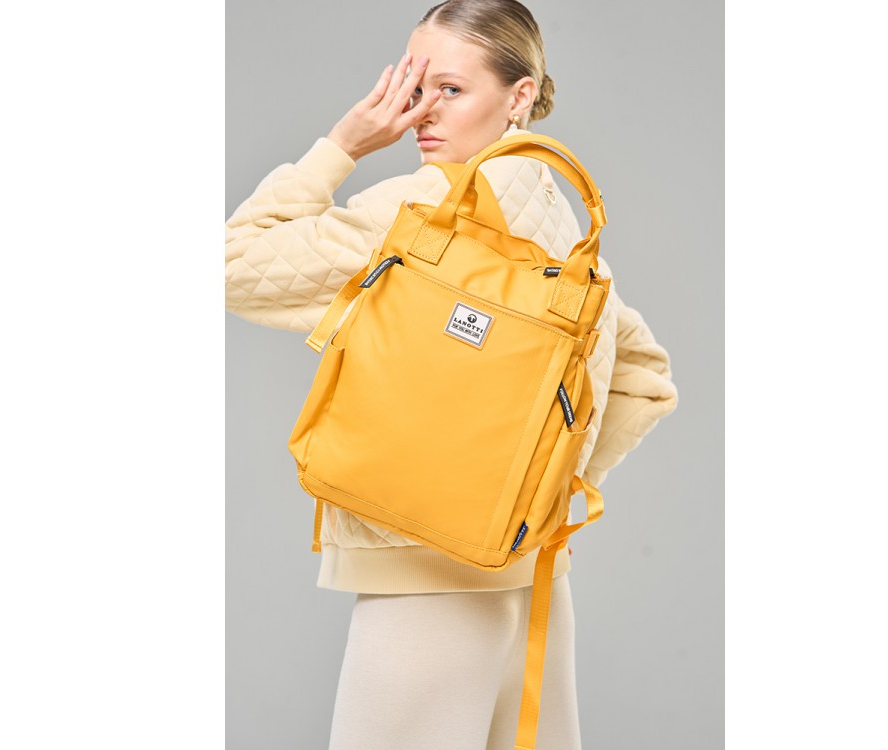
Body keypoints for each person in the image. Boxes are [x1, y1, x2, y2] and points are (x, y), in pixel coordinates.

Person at [224, 1, 678, 747]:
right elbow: (644, 377)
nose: (420, 112)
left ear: (520, 95)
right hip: (535, 591)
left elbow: (233, 265)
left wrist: (343, 143)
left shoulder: (423, 208)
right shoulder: (567, 234)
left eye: (451, 89)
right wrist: (526, 500)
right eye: (414, 87)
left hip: (423, 589)